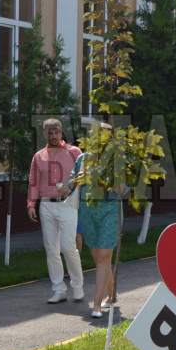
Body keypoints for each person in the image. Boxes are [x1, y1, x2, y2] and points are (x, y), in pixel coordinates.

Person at [67, 123, 128, 318]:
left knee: (103, 257)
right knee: (99, 258)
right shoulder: (83, 159)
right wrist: (76, 178)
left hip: (110, 211)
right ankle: (112, 296)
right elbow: (70, 184)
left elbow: (123, 189)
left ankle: (96, 306)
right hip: (88, 211)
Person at [27, 118, 84, 304]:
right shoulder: (39, 157)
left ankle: (77, 287)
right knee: (51, 249)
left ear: (61, 133)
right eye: (49, 133)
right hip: (46, 205)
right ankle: (59, 289)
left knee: (69, 247)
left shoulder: (74, 152)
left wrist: (72, 187)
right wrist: (30, 204)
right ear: (44, 134)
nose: (53, 136)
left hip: (67, 203)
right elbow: (33, 182)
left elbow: (85, 174)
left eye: (56, 133)